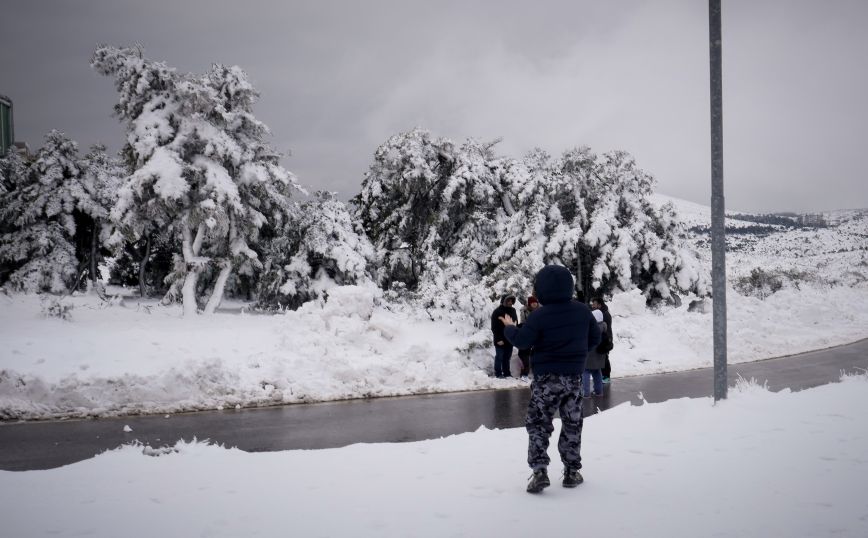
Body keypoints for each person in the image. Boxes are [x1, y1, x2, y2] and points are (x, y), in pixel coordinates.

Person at [500, 265, 601, 493]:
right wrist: (577, 354)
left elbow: (523, 342)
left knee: (538, 423)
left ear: (542, 289)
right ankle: (572, 472)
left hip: (547, 380)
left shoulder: (539, 316)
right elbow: (595, 337)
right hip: (573, 378)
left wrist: (509, 328)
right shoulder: (582, 311)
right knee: (572, 423)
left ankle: (539, 472)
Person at [490, 295, 518, 378]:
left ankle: (507, 373)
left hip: (510, 339)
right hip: (500, 339)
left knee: (507, 357)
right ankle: (498, 374)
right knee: (499, 357)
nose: (510, 302)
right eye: (508, 301)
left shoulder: (513, 310)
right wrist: (498, 338)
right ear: (503, 301)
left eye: (511, 301)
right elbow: (494, 327)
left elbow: (515, 323)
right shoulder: (497, 311)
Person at [582, 309, 608, 397]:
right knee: (597, 372)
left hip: (590, 354)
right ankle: (599, 391)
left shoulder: (591, 328)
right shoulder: (604, 326)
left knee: (585, 372)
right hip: (600, 354)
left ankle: (586, 393)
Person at [590, 296, 613, 383]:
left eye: (594, 304)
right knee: (601, 357)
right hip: (602, 339)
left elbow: (604, 328)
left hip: (605, 339)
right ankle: (603, 376)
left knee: (605, 358)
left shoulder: (604, 314)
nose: (592, 306)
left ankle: (606, 377)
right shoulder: (600, 312)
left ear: (599, 305)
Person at [516, 295, 540, 378]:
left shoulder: (540, 311)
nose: (534, 304)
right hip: (527, 334)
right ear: (529, 304)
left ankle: (537, 373)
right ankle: (524, 374)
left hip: (538, 335)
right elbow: (523, 322)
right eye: (532, 303)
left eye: (535, 303)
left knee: (537, 354)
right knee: (524, 354)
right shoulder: (524, 311)